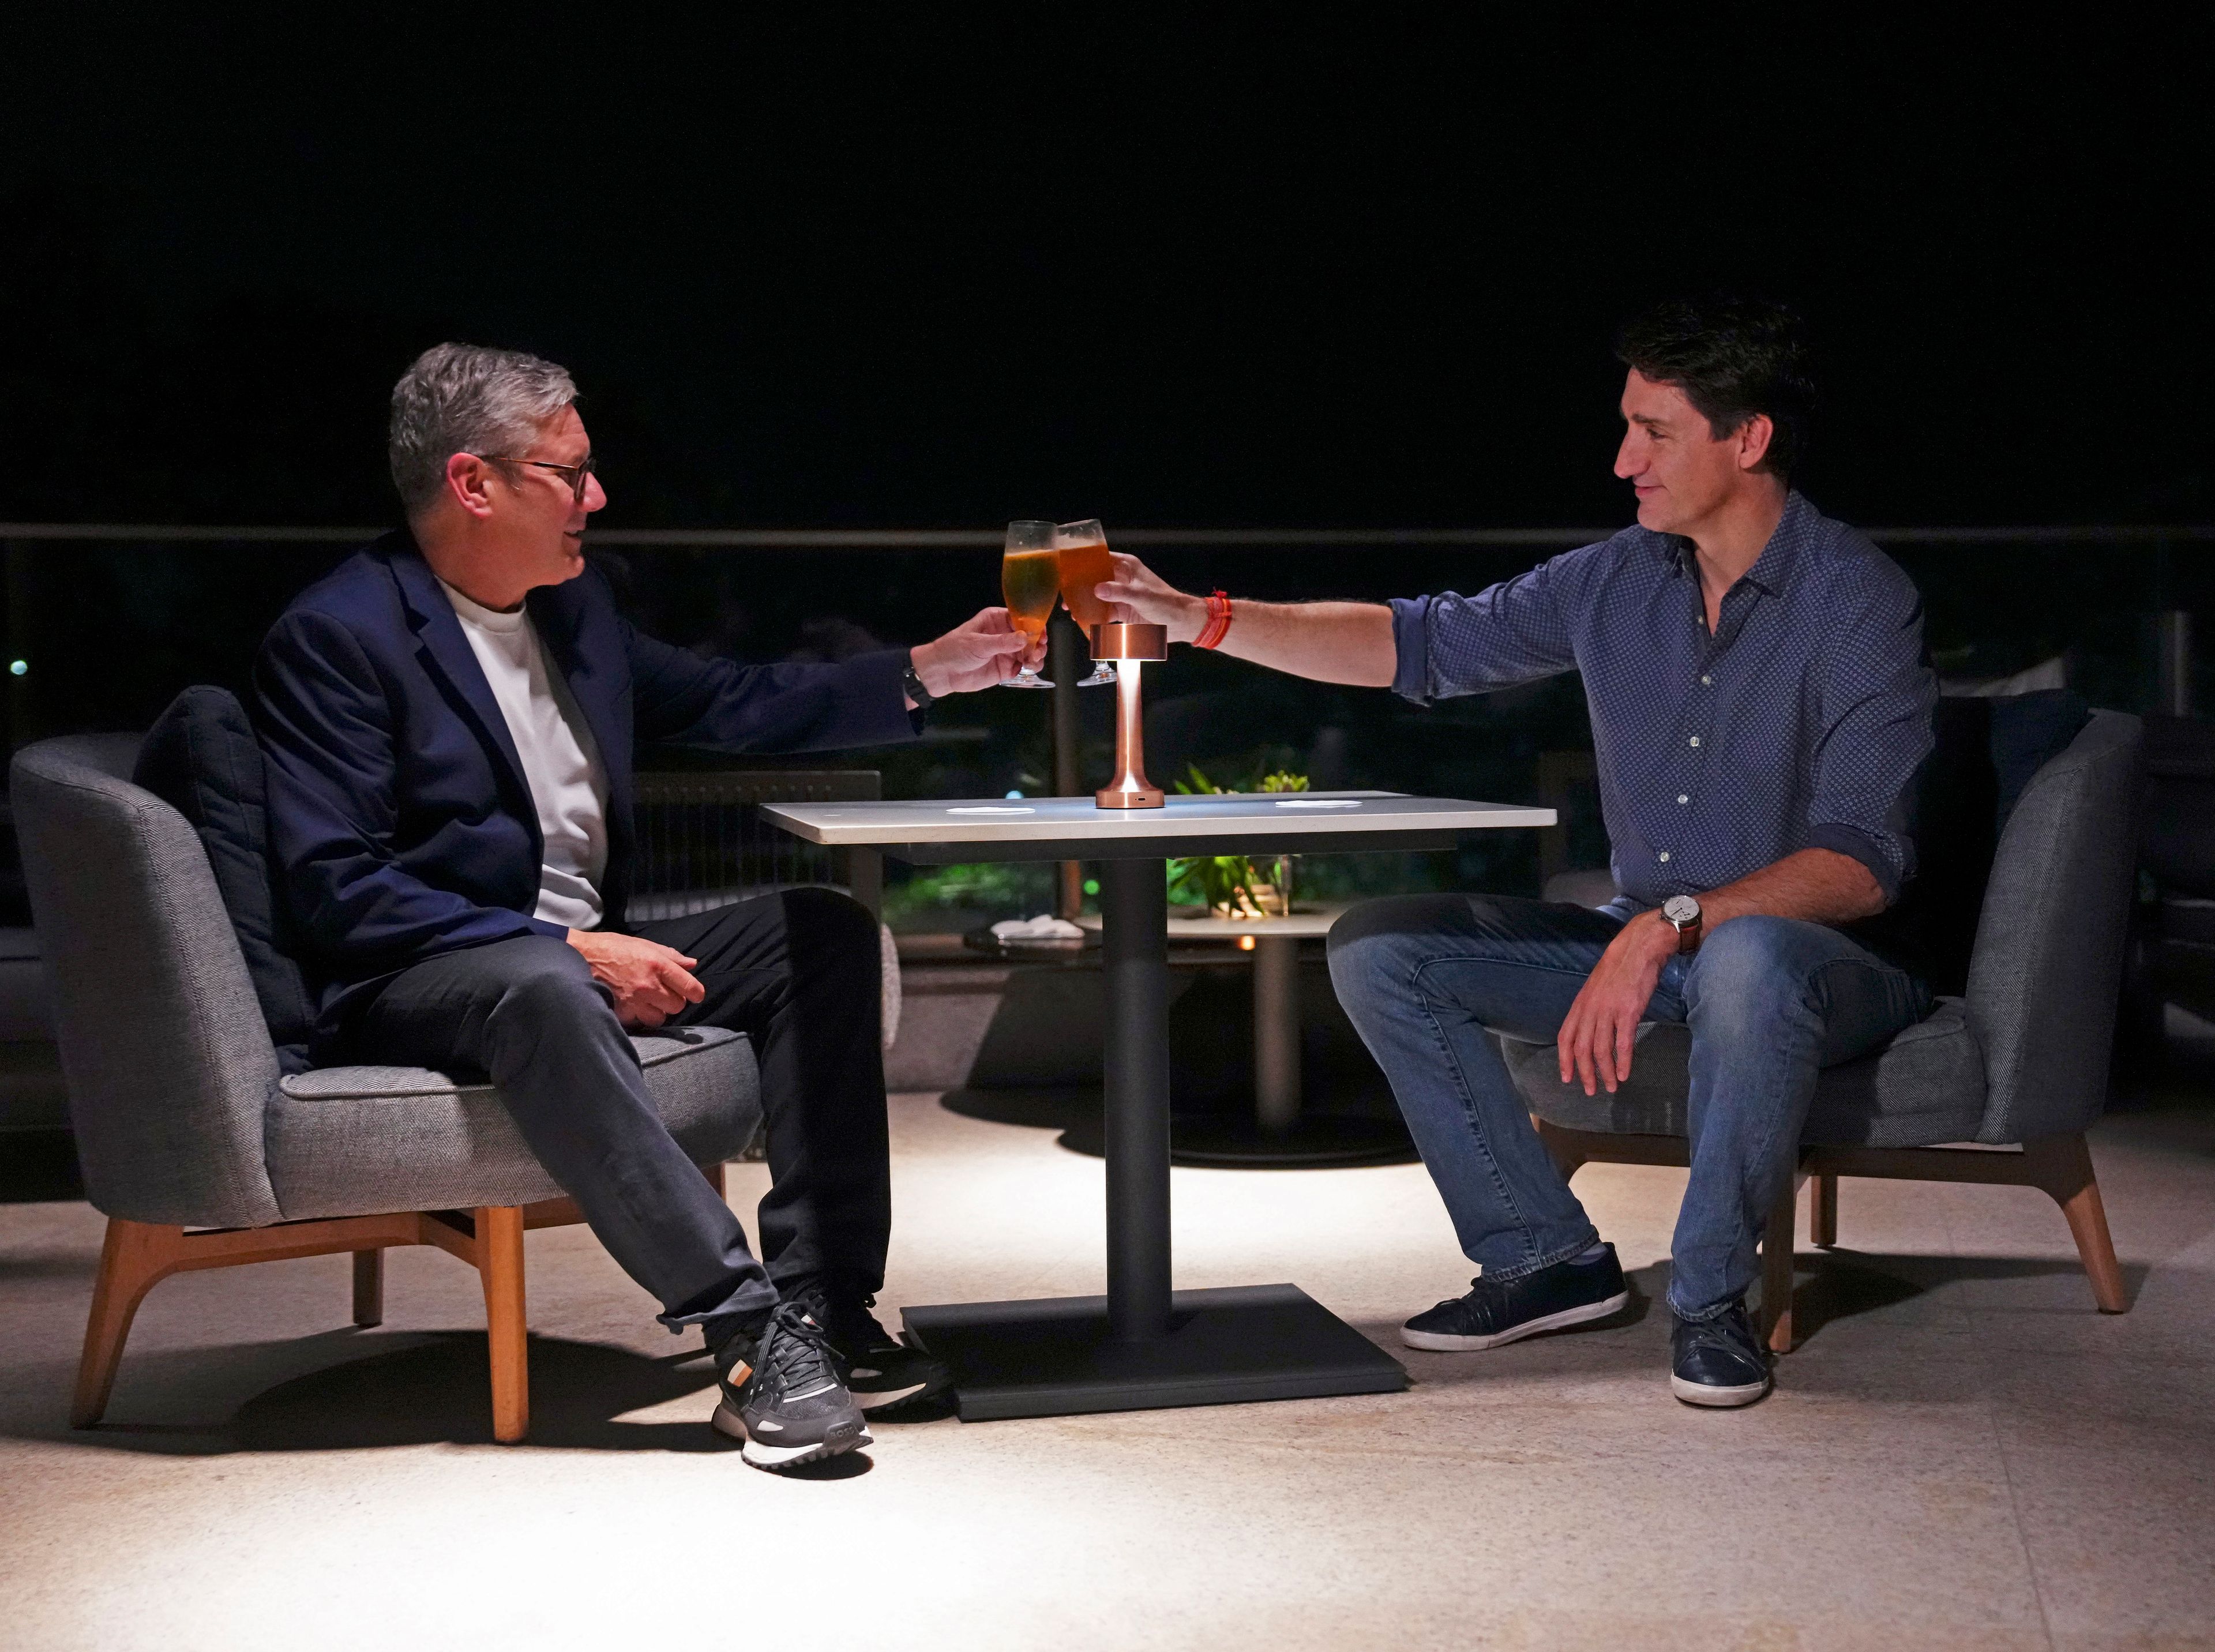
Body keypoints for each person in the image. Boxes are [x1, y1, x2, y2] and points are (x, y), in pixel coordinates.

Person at [1096, 297, 1935, 1407]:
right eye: (1625, 425)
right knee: (1383, 948)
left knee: (1747, 959)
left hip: (1823, 965)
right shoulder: (1615, 580)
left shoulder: (1857, 602)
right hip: (1657, 944)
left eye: (1655, 431)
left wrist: (1672, 924)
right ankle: (1543, 1257)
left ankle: (1713, 1304)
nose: (1623, 459)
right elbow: (1419, 644)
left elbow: (1864, 858)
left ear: (1750, 440)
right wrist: (1199, 617)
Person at [256, 343, 1040, 1467]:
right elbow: (339, 888)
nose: (598, 497)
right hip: (423, 972)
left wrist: (924, 672)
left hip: (564, 953)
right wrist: (571, 946)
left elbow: (731, 701)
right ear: (476, 484)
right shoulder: (340, 636)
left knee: (820, 932)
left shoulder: (576, 610)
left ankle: (822, 1309)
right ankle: (745, 1332)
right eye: (570, 474)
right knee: (544, 983)